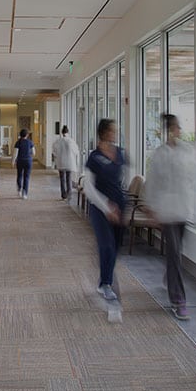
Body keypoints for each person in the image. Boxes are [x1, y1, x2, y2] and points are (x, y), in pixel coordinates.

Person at [145, 113, 196, 321]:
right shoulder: (160, 154)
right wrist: (151, 208)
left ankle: (170, 278)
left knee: (176, 253)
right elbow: (152, 181)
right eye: (174, 128)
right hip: (167, 210)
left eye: (178, 127)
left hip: (184, 208)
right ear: (167, 131)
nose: (178, 131)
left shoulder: (189, 151)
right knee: (175, 253)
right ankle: (179, 301)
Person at [83, 118, 127, 302]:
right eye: (112, 130)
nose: (115, 134)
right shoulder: (94, 157)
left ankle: (105, 278)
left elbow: (122, 177)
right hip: (100, 208)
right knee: (106, 245)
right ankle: (105, 284)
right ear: (103, 133)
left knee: (116, 246)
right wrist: (106, 206)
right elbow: (88, 187)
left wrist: (119, 204)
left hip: (119, 205)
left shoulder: (120, 153)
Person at [51, 125, 80, 200]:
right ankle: (69, 194)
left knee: (62, 179)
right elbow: (76, 151)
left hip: (61, 162)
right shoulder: (71, 141)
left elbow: (54, 152)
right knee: (69, 178)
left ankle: (63, 195)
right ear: (68, 132)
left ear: (62, 132)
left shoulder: (58, 141)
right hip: (70, 163)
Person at [12, 128, 35, 199]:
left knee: (19, 175)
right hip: (28, 161)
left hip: (20, 161)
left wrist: (13, 161)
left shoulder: (18, 142)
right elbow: (34, 153)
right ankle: (24, 193)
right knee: (26, 177)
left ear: (20, 135)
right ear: (27, 135)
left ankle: (19, 189)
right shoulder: (30, 142)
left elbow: (15, 153)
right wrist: (29, 155)